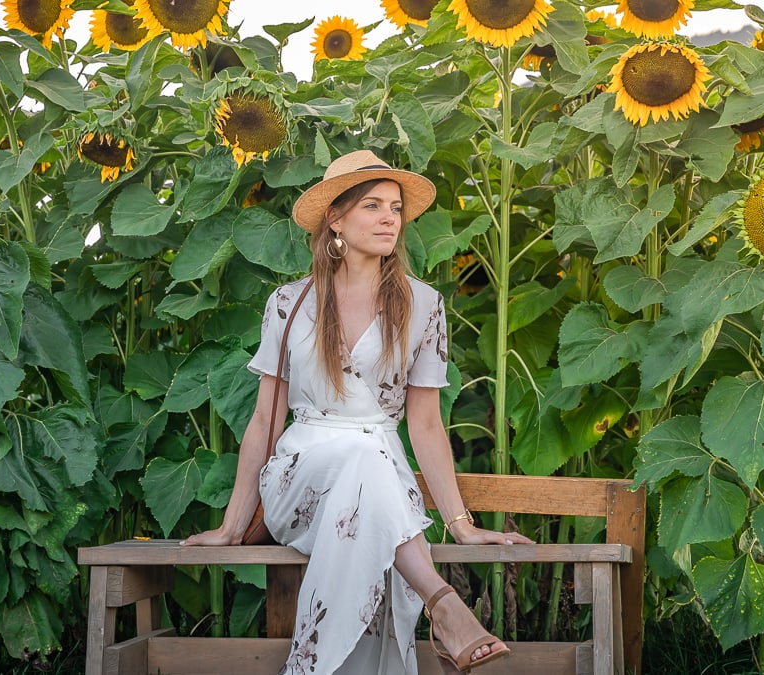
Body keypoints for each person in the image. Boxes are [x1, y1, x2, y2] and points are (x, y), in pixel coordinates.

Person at [182, 150, 532, 674]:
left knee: (369, 456)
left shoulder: (423, 305)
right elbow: (264, 422)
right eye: (372, 205)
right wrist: (232, 527)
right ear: (336, 219)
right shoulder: (289, 303)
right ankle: (444, 603)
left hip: (379, 474)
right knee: (365, 456)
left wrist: (460, 524)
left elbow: (427, 424)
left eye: (395, 207)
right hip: (301, 480)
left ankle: (406, 623)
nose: (390, 217)